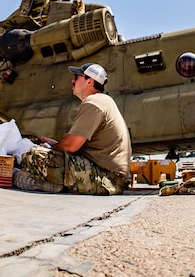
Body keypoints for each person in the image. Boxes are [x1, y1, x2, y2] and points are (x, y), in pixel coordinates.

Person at [15, 62, 132, 195]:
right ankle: (52, 182)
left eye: (77, 77)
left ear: (89, 81)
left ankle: (46, 183)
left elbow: (71, 146)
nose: (73, 80)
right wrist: (56, 145)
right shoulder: (102, 101)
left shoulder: (94, 103)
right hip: (110, 177)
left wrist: (51, 148)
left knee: (35, 155)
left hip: (107, 180)